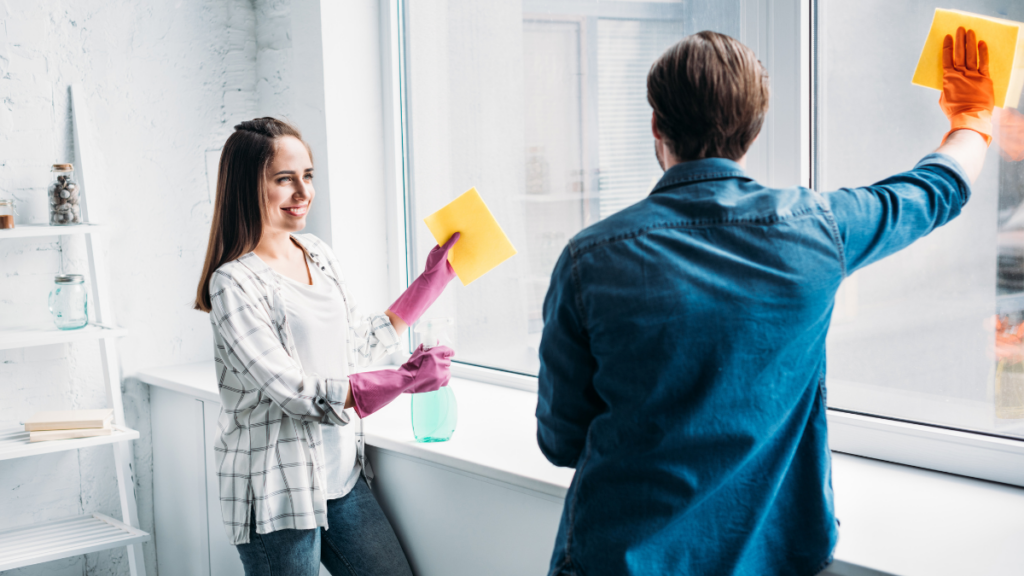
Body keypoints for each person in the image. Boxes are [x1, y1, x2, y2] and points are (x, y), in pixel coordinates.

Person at [536, 28, 992, 576]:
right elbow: (932, 191)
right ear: (752, 132)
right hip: (771, 558)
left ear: (656, 125)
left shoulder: (589, 260)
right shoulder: (818, 231)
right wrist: (971, 119)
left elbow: (561, 440)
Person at [194, 117, 459, 576]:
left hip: (342, 478)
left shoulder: (316, 251)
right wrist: (405, 381)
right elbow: (297, 393)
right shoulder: (233, 283)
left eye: (308, 176)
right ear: (246, 187)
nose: (303, 192)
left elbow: (354, 345)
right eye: (284, 179)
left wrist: (433, 279)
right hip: (276, 490)